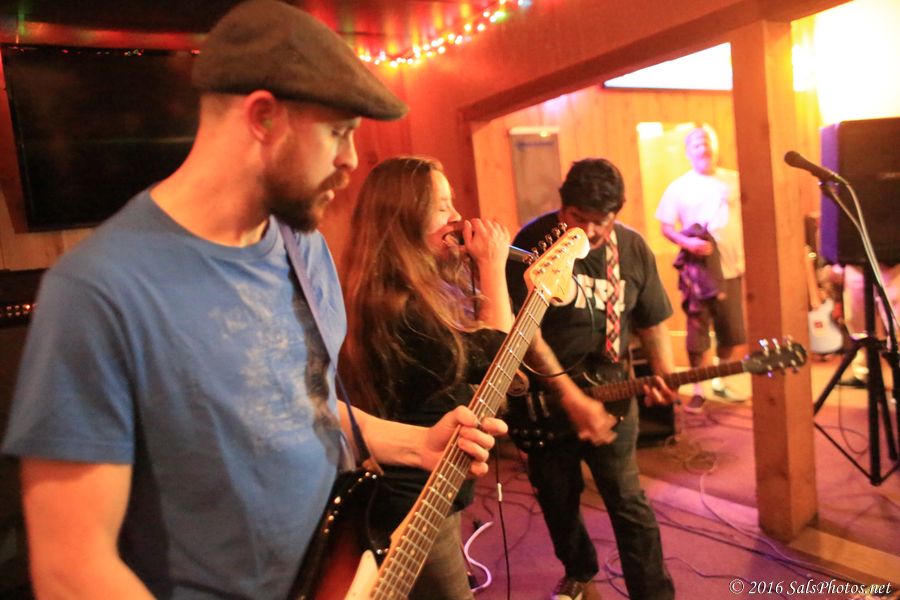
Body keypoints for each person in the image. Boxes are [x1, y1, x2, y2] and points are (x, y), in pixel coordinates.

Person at [0, 2, 505, 598]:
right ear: (263, 117)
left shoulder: (305, 250)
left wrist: (413, 443)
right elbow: (71, 569)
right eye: (338, 132)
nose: (351, 160)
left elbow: (302, 406)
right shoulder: (98, 290)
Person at [339, 156, 513, 599]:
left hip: (429, 488)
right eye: (441, 206)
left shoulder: (412, 291)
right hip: (414, 502)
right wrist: (493, 267)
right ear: (403, 219)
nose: (457, 217)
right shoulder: (398, 307)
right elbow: (500, 360)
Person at [506, 158, 677, 600]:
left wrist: (665, 375)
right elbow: (523, 332)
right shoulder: (531, 243)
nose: (590, 231)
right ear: (563, 206)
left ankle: (653, 593)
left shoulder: (632, 248)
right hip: (545, 401)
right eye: (579, 218)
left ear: (616, 214)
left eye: (602, 221)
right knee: (557, 499)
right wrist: (569, 396)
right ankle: (579, 573)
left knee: (628, 500)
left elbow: (653, 321)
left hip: (613, 395)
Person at [655, 124, 746, 412]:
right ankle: (698, 388)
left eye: (707, 142)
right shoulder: (679, 187)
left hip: (732, 268)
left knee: (731, 330)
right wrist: (688, 243)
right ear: (688, 152)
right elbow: (666, 226)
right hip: (700, 271)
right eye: (696, 144)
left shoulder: (735, 180)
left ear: (716, 147)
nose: (703, 148)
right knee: (698, 330)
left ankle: (719, 378)